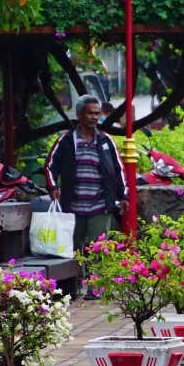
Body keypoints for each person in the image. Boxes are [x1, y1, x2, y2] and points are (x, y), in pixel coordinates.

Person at [47, 95, 127, 258]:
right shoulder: (66, 141)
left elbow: (119, 170)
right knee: (73, 253)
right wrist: (53, 186)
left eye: (97, 114)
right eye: (90, 113)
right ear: (79, 115)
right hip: (72, 208)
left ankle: (94, 284)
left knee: (97, 253)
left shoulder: (105, 141)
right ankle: (78, 283)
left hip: (100, 206)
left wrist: (123, 195)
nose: (94, 118)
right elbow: (50, 166)